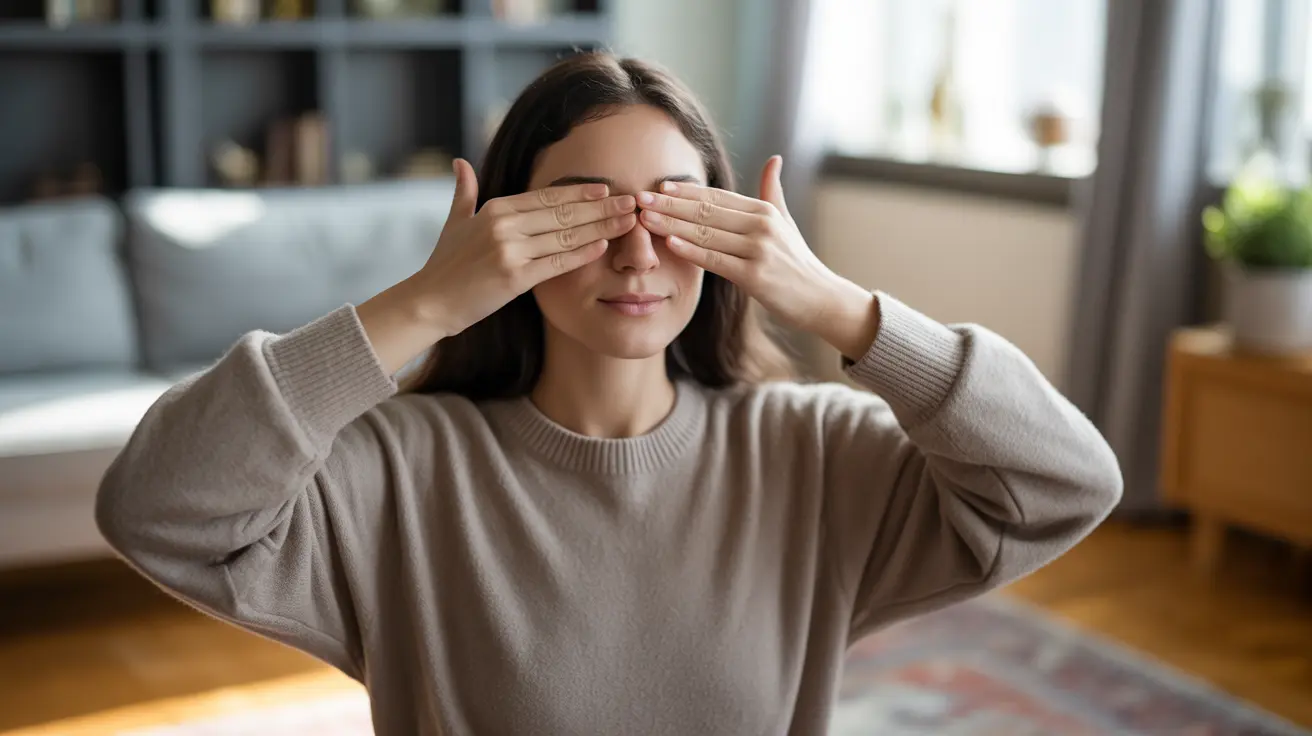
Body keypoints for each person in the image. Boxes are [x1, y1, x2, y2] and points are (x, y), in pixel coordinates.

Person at [96, 52, 1123, 735]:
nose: (637, 253)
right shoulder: (398, 469)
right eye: (586, 213)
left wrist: (837, 305)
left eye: (677, 213)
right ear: (507, 233)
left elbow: (1065, 481)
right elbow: (156, 506)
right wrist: (419, 304)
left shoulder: (812, 450)